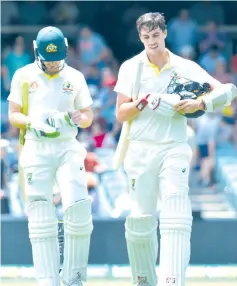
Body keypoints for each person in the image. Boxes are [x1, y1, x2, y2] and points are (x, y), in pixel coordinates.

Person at [114, 13, 236, 286]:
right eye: (146, 38)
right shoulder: (130, 68)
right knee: (140, 221)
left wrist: (199, 104)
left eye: (155, 36)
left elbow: (227, 90)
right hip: (141, 150)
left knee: (176, 212)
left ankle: (173, 280)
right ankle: (144, 280)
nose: (151, 42)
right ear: (140, 37)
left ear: (165, 33)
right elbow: (121, 114)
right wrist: (143, 102)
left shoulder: (184, 66)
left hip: (174, 146)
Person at [8, 26, 94, 286]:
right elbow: (14, 114)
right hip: (36, 145)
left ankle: (74, 277)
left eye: (57, 60)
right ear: (37, 52)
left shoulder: (75, 77)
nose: (53, 65)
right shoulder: (23, 75)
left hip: (67, 145)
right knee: (41, 215)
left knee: (78, 209)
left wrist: (81, 118)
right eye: (48, 60)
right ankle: (47, 279)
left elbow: (88, 116)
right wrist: (33, 123)